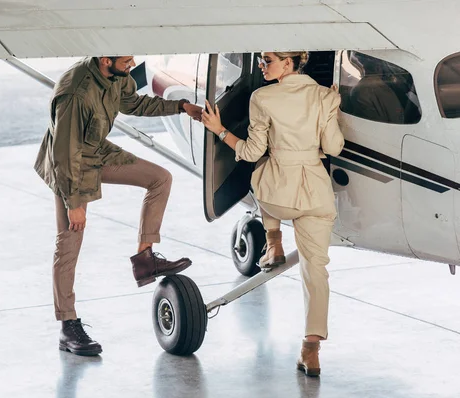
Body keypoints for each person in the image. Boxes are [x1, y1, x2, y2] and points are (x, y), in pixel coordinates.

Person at [34, 55, 203, 356]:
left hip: (96, 151)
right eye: (126, 60)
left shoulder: (116, 75)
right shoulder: (76, 93)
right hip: (69, 167)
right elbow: (64, 153)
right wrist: (74, 202)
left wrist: (180, 107)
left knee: (160, 178)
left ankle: (145, 259)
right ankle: (68, 326)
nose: (133, 62)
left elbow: (134, 104)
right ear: (104, 59)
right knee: (69, 243)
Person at [201, 51, 344, 376]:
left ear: (289, 63)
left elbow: (251, 151)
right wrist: (331, 109)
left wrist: (219, 130)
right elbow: (334, 148)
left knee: (260, 173)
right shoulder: (324, 96)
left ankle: (274, 240)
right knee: (316, 271)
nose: (262, 65)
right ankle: (311, 348)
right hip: (317, 193)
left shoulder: (262, 98)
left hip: (279, 193)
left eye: (268, 60)